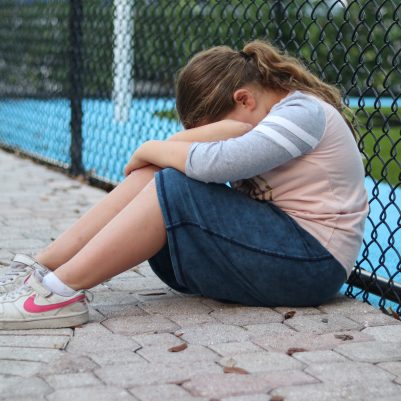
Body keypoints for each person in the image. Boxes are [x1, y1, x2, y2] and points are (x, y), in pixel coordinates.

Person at [0, 40, 369, 330]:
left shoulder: (302, 113)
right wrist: (196, 139)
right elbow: (198, 154)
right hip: (273, 252)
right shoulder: (266, 112)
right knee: (157, 175)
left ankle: (57, 294)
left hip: (313, 264)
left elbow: (218, 162)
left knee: (175, 182)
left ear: (244, 98)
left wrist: (149, 148)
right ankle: (42, 268)